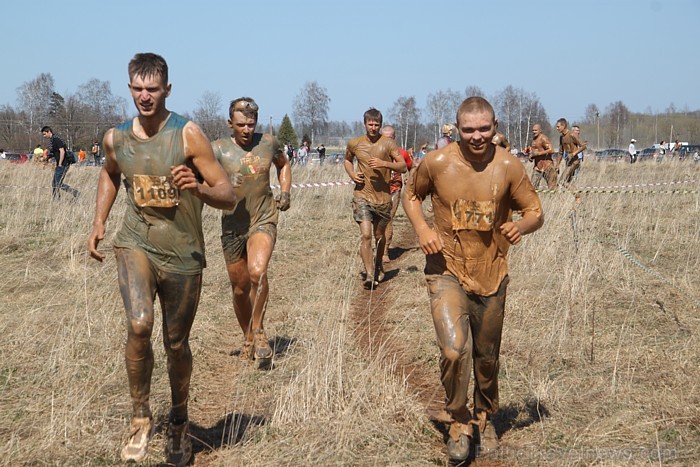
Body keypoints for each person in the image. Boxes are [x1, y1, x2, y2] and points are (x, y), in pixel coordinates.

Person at [86, 53, 236, 466]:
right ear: (130, 88)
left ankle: (180, 422)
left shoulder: (188, 135)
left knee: (175, 343)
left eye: (153, 89)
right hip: (135, 243)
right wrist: (99, 220)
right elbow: (109, 173)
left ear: (167, 90)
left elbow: (228, 194)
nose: (145, 96)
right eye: (138, 88)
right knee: (139, 324)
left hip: (183, 252)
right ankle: (140, 419)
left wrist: (199, 189)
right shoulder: (116, 138)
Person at [402, 97, 543, 461]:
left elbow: (535, 211)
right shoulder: (437, 162)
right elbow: (411, 194)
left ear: (495, 126)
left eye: (484, 129)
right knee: (453, 349)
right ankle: (459, 419)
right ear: (456, 128)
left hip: (492, 273)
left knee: (486, 357)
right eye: (469, 130)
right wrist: (422, 228)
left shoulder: (509, 166)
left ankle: (486, 415)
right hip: (445, 269)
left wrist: (520, 225)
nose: (477, 136)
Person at [212, 97, 291, 363]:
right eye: (242, 124)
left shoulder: (268, 143)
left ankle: (258, 331)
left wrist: (286, 190)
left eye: (251, 123)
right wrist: (222, 181)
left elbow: (283, 165)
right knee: (239, 287)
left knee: (258, 271)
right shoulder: (218, 150)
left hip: (263, 218)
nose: (247, 129)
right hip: (233, 226)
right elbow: (200, 180)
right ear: (230, 123)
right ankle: (246, 335)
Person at [344, 108, 407, 288]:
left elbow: (403, 166)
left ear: (380, 125)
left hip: (383, 198)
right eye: (370, 124)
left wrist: (384, 163)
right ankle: (370, 274)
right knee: (366, 236)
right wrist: (352, 174)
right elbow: (347, 160)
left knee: (379, 237)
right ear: (364, 124)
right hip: (362, 195)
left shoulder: (388, 144)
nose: (373, 127)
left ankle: (378, 261)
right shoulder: (355, 143)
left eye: (376, 124)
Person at [380, 125, 413, 263]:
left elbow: (412, 168)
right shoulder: (376, 151)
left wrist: (410, 179)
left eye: (390, 138)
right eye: (385, 138)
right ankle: (376, 247)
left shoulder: (402, 153)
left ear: (394, 138)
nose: (388, 141)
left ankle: (385, 252)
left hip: (394, 190)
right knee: (376, 221)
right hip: (378, 191)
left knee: (387, 219)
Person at [41, 126, 80, 200]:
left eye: (44, 134)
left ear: (49, 131)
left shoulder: (56, 139)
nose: (44, 136)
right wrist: (47, 158)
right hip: (60, 164)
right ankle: (56, 199)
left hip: (63, 164)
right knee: (55, 183)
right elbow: (54, 152)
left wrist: (60, 163)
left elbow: (62, 151)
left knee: (58, 184)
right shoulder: (52, 140)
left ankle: (75, 193)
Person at [524, 123, 557, 190]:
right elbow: (534, 152)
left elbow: (552, 150)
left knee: (552, 188)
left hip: (547, 166)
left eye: (536, 130)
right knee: (533, 188)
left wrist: (539, 153)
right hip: (537, 167)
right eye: (533, 130)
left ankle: (556, 200)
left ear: (540, 131)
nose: (534, 132)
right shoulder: (533, 140)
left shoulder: (543, 138)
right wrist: (531, 156)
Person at [555, 118, 585, 186]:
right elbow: (560, 152)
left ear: (563, 126)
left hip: (575, 161)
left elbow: (583, 146)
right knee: (568, 182)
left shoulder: (572, 134)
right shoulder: (561, 137)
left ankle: (577, 196)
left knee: (562, 181)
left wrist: (574, 153)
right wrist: (557, 165)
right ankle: (578, 196)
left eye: (558, 126)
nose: (557, 128)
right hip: (568, 162)